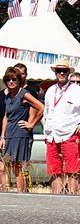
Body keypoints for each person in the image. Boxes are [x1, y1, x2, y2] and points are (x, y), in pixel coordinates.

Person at [0, 66, 43, 192]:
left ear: (19, 80)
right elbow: (5, 117)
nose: (11, 82)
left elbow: (41, 108)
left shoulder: (24, 94)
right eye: (8, 79)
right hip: (9, 134)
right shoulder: (8, 95)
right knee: (1, 166)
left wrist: (31, 124)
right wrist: (2, 137)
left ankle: (20, 194)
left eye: (14, 79)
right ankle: (4, 193)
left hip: (20, 133)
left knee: (17, 166)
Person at [43, 59, 80, 194]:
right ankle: (56, 198)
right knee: (54, 169)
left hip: (69, 132)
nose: (62, 73)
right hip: (51, 134)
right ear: (55, 73)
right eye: (59, 71)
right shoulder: (50, 90)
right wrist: (46, 130)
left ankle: (73, 195)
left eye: (64, 71)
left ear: (69, 73)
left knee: (72, 168)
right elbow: (46, 111)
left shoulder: (76, 89)